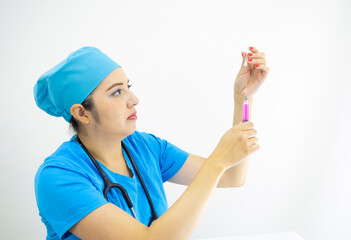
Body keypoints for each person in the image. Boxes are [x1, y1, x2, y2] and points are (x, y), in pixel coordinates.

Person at [33, 46, 269, 240]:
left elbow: (232, 177)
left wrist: (244, 99)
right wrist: (216, 161)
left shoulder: (146, 147)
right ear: (82, 113)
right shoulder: (58, 176)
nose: (133, 100)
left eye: (128, 87)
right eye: (116, 92)